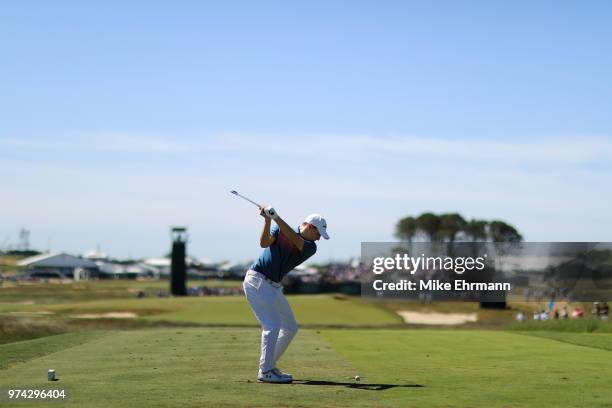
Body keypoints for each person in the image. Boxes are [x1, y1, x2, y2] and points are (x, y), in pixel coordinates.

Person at [243, 205, 329, 384]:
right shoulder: (278, 228)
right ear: (309, 226)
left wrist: (276, 217)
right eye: (318, 233)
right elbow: (264, 243)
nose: (319, 238)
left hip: (274, 286)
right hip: (257, 280)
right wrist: (268, 220)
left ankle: (268, 365)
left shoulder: (310, 247)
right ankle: (266, 371)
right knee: (272, 325)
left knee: (290, 327)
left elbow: (295, 240)